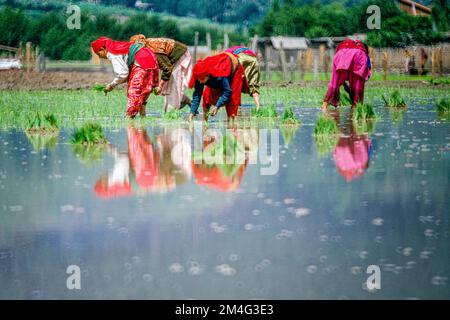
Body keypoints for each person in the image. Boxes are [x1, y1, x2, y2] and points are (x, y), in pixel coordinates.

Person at [91, 36, 159, 118]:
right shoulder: (117, 46)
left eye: (99, 54)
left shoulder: (112, 52)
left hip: (141, 59)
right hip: (151, 57)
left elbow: (123, 74)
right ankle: (143, 116)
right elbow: (126, 73)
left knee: (133, 93)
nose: (100, 57)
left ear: (102, 48)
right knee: (142, 91)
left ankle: (129, 119)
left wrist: (112, 85)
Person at [130, 35, 192, 112]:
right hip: (171, 58)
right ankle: (185, 100)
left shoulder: (153, 51)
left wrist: (160, 86)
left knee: (173, 88)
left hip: (179, 55)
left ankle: (171, 113)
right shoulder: (145, 49)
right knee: (169, 87)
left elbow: (167, 68)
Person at [188, 52, 247, 122]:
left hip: (233, 68)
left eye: (202, 79)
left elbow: (227, 91)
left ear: (208, 75)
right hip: (216, 72)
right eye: (199, 80)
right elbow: (197, 95)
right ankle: (204, 122)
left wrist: (217, 106)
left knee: (232, 101)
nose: (200, 82)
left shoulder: (220, 75)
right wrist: (192, 113)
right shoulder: (199, 75)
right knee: (207, 96)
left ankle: (231, 125)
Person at [321, 38, 371, 113]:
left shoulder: (342, 49)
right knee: (357, 84)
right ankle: (356, 106)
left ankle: (324, 105)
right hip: (358, 55)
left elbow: (341, 78)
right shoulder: (363, 53)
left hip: (341, 54)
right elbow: (361, 82)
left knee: (335, 82)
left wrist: (345, 85)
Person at [225, 46, 261, 110]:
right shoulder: (234, 49)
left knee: (235, 84)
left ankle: (237, 107)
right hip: (254, 60)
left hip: (240, 58)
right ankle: (258, 108)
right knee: (253, 86)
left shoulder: (225, 54)